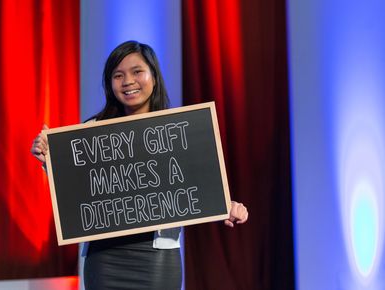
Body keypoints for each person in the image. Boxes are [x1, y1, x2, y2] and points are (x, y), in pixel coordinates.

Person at [31, 40, 248, 290]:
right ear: (110, 84)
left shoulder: (177, 132)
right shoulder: (92, 132)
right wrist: (50, 160)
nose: (128, 82)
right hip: (104, 259)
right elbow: (76, 193)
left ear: (153, 77)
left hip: (156, 258)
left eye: (137, 72)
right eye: (118, 75)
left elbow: (195, 187)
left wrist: (226, 206)